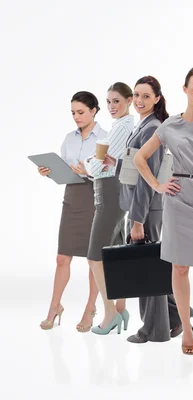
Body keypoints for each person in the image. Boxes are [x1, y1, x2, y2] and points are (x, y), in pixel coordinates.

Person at [135, 67, 193, 355]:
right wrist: (158, 185)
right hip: (179, 199)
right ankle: (186, 328)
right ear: (184, 90)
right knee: (179, 268)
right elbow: (139, 158)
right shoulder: (170, 126)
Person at [105, 75, 193, 343]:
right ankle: (178, 314)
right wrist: (118, 163)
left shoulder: (152, 127)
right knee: (153, 267)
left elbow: (148, 180)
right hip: (141, 207)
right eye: (136, 95)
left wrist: (137, 221)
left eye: (146, 96)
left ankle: (154, 329)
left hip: (146, 209)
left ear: (157, 98)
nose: (139, 100)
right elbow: (135, 169)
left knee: (148, 270)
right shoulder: (144, 126)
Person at [39, 91, 107, 332]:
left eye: (80, 112)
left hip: (96, 198)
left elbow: (111, 173)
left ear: (94, 111)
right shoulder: (69, 138)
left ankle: (90, 308)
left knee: (93, 260)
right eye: (73, 113)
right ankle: (54, 307)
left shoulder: (105, 138)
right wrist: (51, 172)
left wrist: (89, 172)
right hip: (72, 197)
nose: (76, 117)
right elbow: (65, 170)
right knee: (62, 257)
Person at [84, 83, 134, 335]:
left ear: (129, 101)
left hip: (110, 196)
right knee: (114, 254)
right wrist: (94, 162)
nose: (112, 107)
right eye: (108, 102)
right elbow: (99, 164)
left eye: (117, 101)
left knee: (94, 257)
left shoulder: (122, 128)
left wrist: (90, 162)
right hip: (112, 194)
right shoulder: (120, 127)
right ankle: (121, 307)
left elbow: (95, 168)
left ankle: (110, 313)